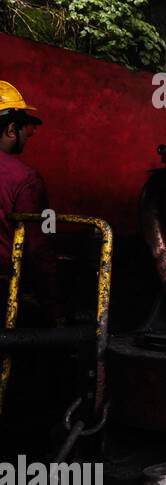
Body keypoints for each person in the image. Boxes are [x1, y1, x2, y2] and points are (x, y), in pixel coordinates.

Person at [0, 81, 60, 323]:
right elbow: (38, 248)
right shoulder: (25, 179)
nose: (31, 133)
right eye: (26, 127)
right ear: (11, 130)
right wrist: (55, 308)